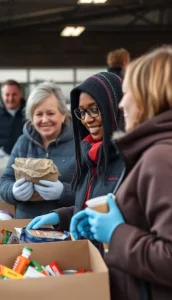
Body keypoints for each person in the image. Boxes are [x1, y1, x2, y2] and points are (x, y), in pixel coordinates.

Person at [72, 46, 172, 300]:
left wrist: (116, 232)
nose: (121, 104)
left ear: (149, 96)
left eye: (127, 94)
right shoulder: (154, 150)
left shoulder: (160, 157)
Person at [27, 72, 125, 230]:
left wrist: (117, 232)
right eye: (82, 112)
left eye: (95, 109)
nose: (86, 119)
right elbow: (86, 209)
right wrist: (61, 216)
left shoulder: (129, 160)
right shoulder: (89, 154)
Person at [0, 82, 75, 219]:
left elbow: (91, 191)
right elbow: (5, 181)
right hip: (26, 227)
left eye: (51, 113)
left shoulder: (78, 144)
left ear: (63, 115)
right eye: (38, 114)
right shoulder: (23, 142)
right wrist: (13, 192)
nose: (44, 120)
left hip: (63, 227)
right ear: (31, 118)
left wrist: (64, 192)